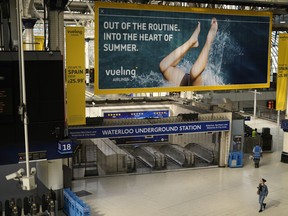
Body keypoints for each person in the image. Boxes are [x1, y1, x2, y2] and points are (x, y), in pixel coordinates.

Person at [159, 18, 218, 86]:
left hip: (194, 87)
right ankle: (192, 41)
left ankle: (209, 39)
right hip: (189, 85)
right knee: (163, 66)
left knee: (194, 72)